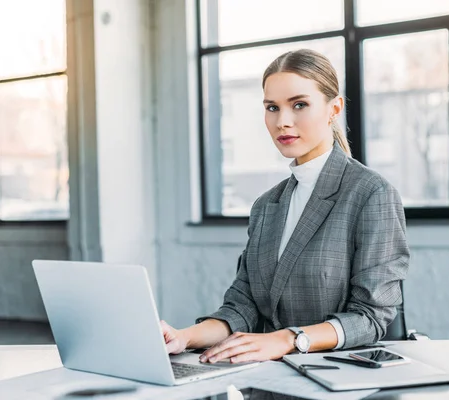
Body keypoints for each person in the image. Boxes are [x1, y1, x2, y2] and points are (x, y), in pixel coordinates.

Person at [160, 49, 409, 364]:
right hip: (269, 381)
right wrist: (183, 337)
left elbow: (370, 318)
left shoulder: (371, 193)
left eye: (299, 105)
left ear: (334, 108)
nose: (283, 122)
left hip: (338, 381)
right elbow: (242, 308)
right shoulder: (267, 206)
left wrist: (288, 339)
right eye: (272, 108)